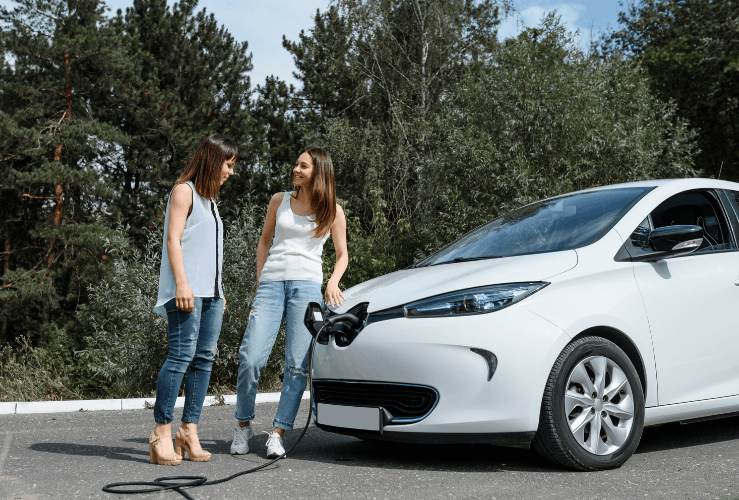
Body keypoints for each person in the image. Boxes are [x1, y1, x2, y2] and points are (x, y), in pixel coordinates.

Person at [230, 147, 347, 458]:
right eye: (296, 164)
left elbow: (342, 254)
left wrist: (333, 281)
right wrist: (260, 281)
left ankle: (278, 432)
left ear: (318, 173)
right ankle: (243, 426)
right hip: (271, 284)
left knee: (296, 366)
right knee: (251, 358)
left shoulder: (333, 211)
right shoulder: (279, 201)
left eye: (303, 166)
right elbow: (264, 241)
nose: (296, 169)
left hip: (307, 288)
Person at [149, 134, 236, 465]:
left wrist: (220, 289)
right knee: (180, 356)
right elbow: (173, 240)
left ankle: (188, 431)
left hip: (211, 293)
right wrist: (182, 284)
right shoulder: (183, 191)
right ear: (214, 161)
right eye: (228, 165)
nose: (230, 172)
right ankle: (160, 433)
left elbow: (208, 252)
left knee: (204, 359)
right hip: (185, 291)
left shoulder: (211, 201)